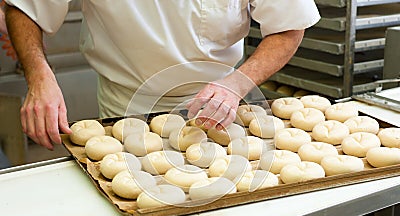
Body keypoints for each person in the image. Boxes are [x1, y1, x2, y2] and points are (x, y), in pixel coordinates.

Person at [5, 1, 320, 150]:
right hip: (126, 112)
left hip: (221, 109)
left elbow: (289, 26)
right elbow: (25, 8)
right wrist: (39, 75)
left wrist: (236, 84)